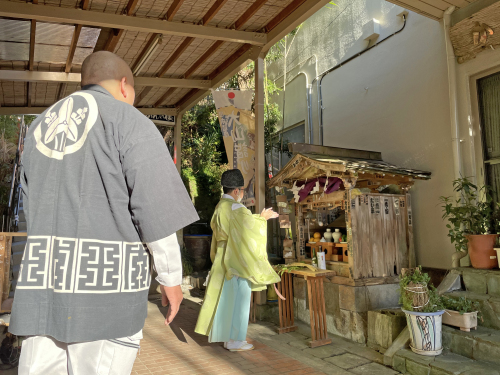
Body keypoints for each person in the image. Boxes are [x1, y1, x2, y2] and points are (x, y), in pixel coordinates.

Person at [9, 51, 199, 375]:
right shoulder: (129, 122)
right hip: (106, 298)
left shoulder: (41, 127)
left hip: (43, 288)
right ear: (124, 85)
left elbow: (30, 207)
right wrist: (170, 278)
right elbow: (154, 208)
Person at [195, 169, 280, 351]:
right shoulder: (237, 208)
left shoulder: (220, 207)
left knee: (226, 300)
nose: (242, 194)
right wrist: (263, 219)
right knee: (240, 300)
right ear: (236, 191)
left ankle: (228, 338)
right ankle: (235, 340)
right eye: (241, 191)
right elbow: (248, 229)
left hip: (222, 257)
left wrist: (258, 218)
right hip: (236, 257)